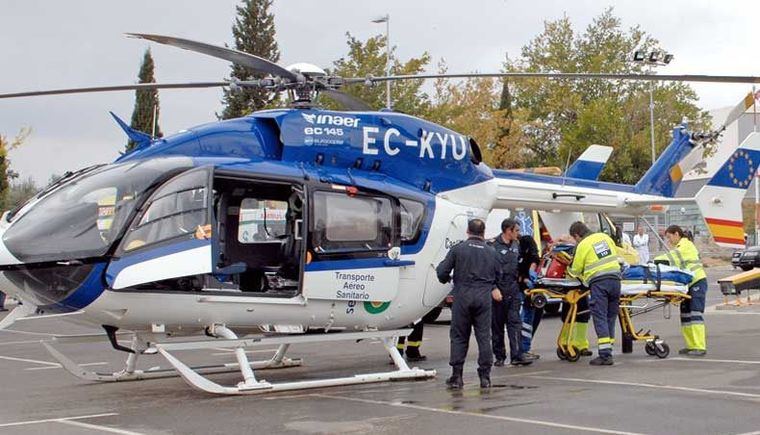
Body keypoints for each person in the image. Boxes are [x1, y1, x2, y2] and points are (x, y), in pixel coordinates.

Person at [436, 218, 501, 390]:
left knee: (459, 336)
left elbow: (442, 272)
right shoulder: (491, 251)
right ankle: (485, 377)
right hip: (483, 297)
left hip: (463, 296)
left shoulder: (458, 249)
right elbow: (499, 275)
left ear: (468, 232)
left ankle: (457, 376)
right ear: (484, 233)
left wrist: (446, 279)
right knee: (484, 337)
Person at [567, 221, 622, 366]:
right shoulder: (605, 237)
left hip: (599, 283)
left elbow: (575, 270)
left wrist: (569, 268)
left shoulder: (583, 245)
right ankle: (608, 350)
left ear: (577, 235)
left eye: (575, 239)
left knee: (600, 317)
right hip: (616, 281)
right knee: (610, 317)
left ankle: (605, 355)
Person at [654, 225, 708, 357]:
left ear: (676, 234)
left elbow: (670, 258)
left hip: (697, 281)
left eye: (669, 237)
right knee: (685, 316)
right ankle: (691, 346)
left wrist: (654, 261)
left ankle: (700, 347)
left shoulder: (685, 245)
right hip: (688, 285)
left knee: (695, 315)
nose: (668, 240)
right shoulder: (680, 247)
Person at [489, 218, 534, 366]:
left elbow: (521, 264)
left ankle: (517, 355)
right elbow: (487, 271)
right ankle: (500, 356)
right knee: (497, 325)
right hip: (498, 291)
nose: (518, 233)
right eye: (517, 230)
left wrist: (525, 277)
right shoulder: (493, 246)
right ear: (508, 230)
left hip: (513, 289)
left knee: (515, 323)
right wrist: (493, 288)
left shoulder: (517, 244)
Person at [518, 234, 542, 359]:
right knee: (527, 319)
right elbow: (534, 259)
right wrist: (530, 277)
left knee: (527, 318)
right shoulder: (527, 248)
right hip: (526, 290)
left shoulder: (516, 251)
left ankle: (522, 348)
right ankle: (523, 349)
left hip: (521, 288)